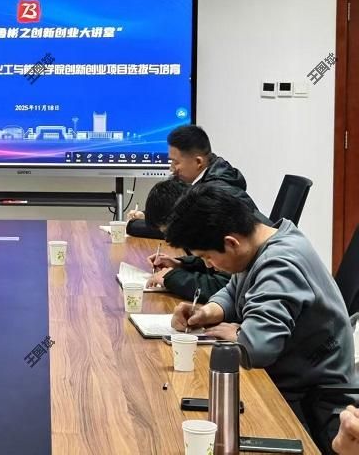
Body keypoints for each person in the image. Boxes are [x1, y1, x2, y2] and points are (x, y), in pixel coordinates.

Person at [167, 183, 354, 451]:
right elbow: (234, 290)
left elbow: (256, 349)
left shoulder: (280, 263)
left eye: (207, 257)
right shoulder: (262, 243)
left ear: (231, 242)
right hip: (289, 384)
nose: (209, 265)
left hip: (312, 408)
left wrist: (238, 333)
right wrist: (208, 311)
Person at [127, 124, 271, 237]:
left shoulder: (214, 192)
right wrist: (147, 216)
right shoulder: (211, 178)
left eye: (176, 162)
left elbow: (183, 230)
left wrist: (134, 225)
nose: (172, 169)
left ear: (198, 162)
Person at [140, 178, 230, 301]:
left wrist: (172, 277)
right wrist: (181, 264)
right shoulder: (206, 223)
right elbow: (210, 264)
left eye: (168, 232)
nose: (168, 240)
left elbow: (222, 287)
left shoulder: (219, 229)